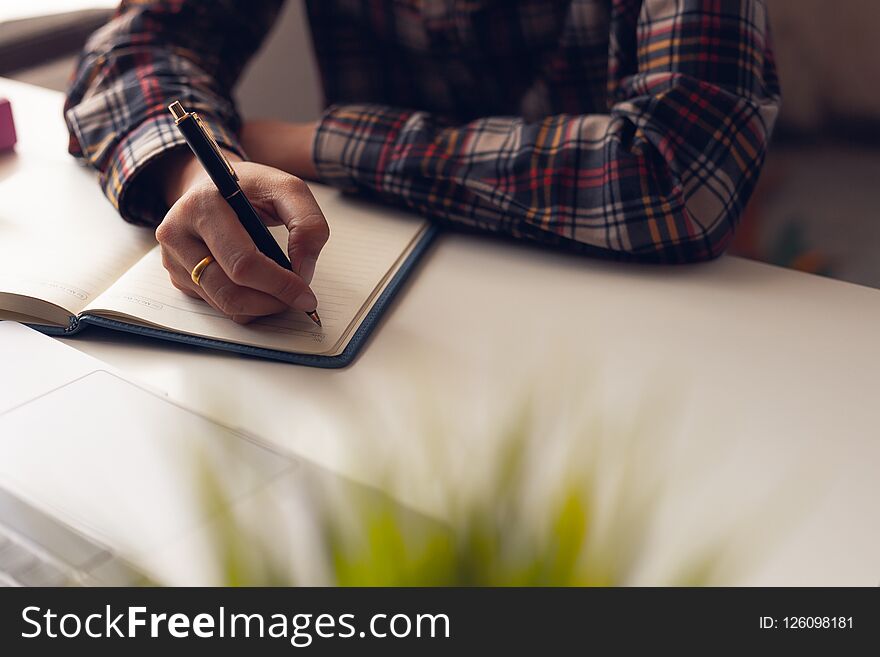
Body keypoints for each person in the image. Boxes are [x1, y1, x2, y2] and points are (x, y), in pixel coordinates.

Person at [65, 0, 780, 324]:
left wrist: (317, 143)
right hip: (396, 308)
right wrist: (200, 169)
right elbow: (130, 52)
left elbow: (680, 174)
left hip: (657, 311)